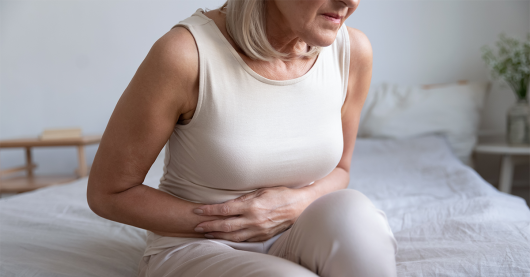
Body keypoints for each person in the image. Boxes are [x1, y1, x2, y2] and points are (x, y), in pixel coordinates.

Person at [86, 0, 398, 276]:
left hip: (296, 230)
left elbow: (341, 171)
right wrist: (232, 221)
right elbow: (109, 193)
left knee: (357, 216)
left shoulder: (352, 51)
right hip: (197, 247)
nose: (351, 2)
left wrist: (293, 205)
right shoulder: (185, 54)